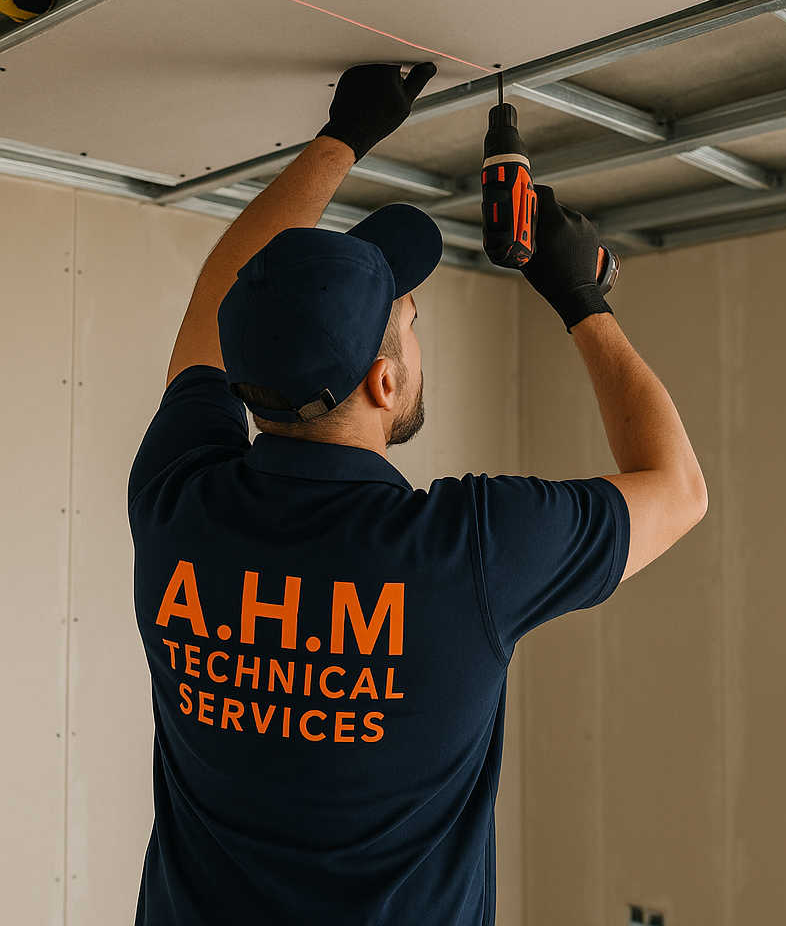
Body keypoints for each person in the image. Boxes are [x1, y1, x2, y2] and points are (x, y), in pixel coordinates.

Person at [128, 62, 707, 926]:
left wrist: (343, 137)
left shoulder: (179, 503)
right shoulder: (468, 550)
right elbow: (681, 490)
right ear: (385, 382)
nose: (417, 320)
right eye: (408, 315)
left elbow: (217, 303)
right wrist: (582, 300)